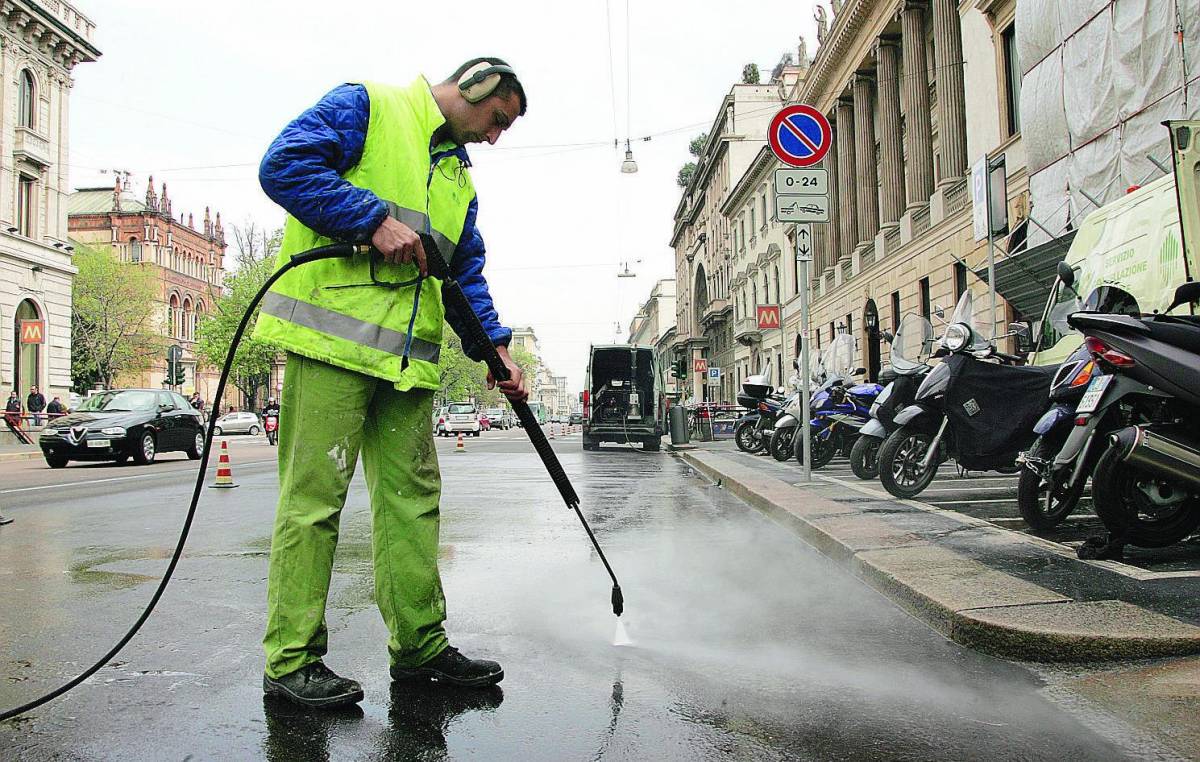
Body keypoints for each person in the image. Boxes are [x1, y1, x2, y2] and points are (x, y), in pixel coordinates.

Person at [251, 58, 528, 710]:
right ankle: (291, 663)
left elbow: (465, 271)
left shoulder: (458, 176)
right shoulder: (368, 106)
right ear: (476, 89)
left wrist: (497, 350)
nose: (494, 137)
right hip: (332, 350)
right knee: (313, 504)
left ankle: (421, 649)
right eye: (496, 121)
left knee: (414, 505)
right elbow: (283, 165)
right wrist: (370, 218)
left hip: (408, 364)